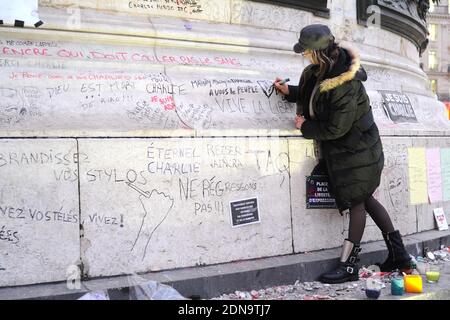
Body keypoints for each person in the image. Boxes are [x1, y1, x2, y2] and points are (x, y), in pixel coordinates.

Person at [274, 24, 412, 284]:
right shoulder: (319, 71)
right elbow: (315, 95)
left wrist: (307, 127)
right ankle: (400, 255)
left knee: (357, 201)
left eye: (306, 52)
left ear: (318, 53)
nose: (303, 56)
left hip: (358, 150)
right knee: (366, 198)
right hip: (347, 150)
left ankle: (348, 266)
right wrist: (289, 91)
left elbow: (337, 127)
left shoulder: (344, 83)